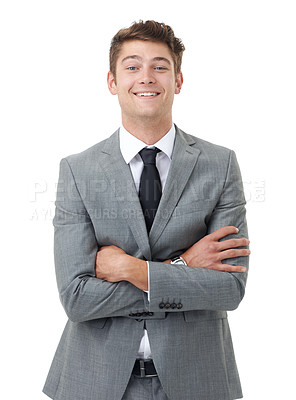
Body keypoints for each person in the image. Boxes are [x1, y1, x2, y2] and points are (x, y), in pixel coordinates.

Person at [43, 20, 250, 400]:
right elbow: (76, 298)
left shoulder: (219, 165)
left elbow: (229, 289)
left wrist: (130, 270)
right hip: (94, 380)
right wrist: (183, 266)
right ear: (112, 81)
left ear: (178, 80)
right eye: (132, 66)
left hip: (199, 379)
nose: (146, 77)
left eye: (160, 65)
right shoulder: (77, 170)